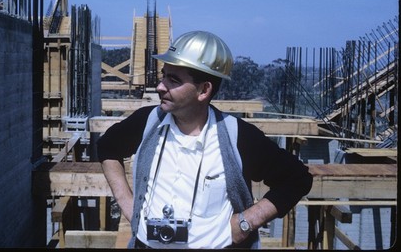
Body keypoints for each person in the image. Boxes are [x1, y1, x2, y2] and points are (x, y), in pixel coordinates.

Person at [97, 31, 313, 249]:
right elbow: (107, 147)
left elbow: (297, 178)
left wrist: (247, 222)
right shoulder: (148, 121)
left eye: (173, 80)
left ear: (204, 90)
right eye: (164, 76)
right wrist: (127, 204)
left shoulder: (236, 136)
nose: (161, 86)